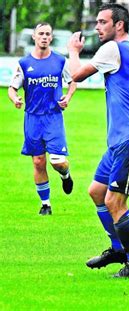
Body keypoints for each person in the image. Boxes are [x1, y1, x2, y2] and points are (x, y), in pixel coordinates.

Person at [67, 3, 129, 278]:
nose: (97, 27)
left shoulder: (113, 48)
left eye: (102, 22)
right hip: (122, 139)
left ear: (118, 25)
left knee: (115, 202)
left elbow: (76, 75)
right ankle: (118, 247)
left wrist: (73, 51)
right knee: (97, 191)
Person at [8, 23, 76, 216]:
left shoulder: (60, 62)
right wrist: (15, 99)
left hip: (53, 117)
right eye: (41, 34)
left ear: (51, 38)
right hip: (32, 119)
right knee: (38, 162)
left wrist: (68, 98)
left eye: (47, 34)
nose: (44, 37)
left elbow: (72, 83)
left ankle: (66, 175)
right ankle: (46, 204)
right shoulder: (23, 63)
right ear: (34, 37)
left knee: (57, 161)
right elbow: (12, 88)